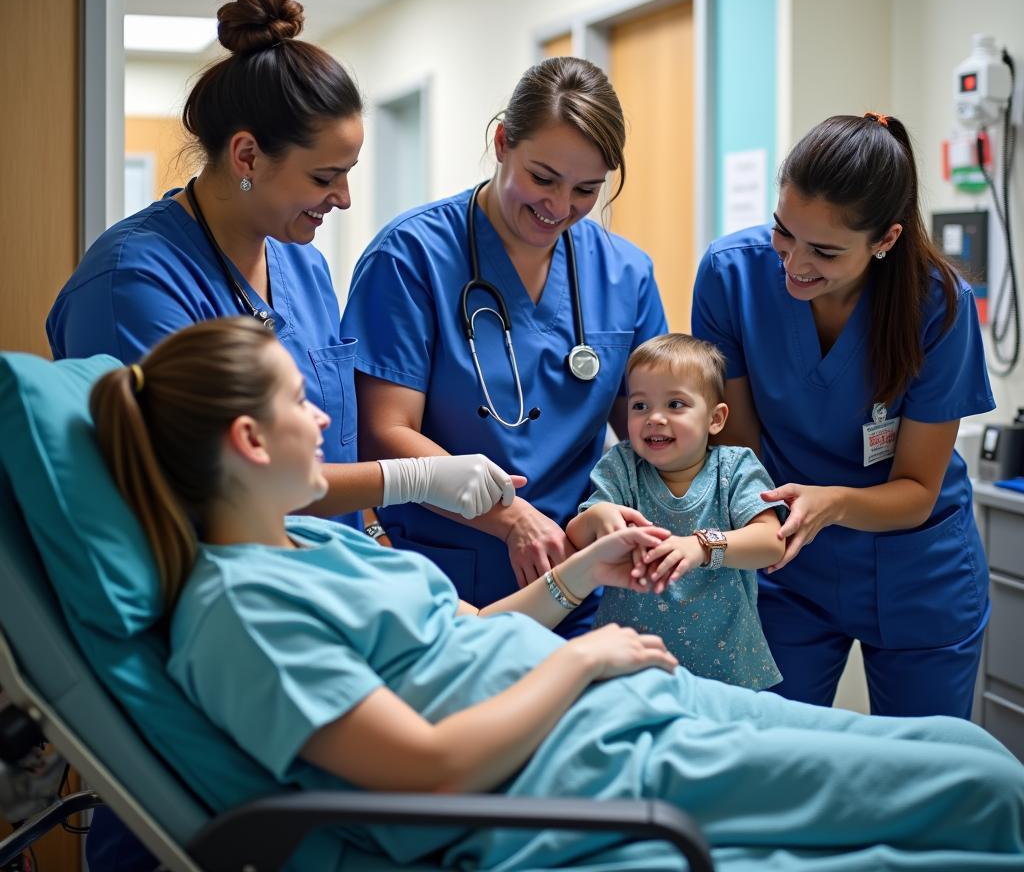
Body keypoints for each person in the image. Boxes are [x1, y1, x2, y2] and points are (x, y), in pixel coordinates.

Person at [87, 317, 1024, 872]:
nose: (326, 418)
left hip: (628, 707)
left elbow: (461, 640)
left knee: (965, 753)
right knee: (978, 791)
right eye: (302, 402)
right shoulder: (239, 613)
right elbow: (430, 769)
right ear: (251, 443)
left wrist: (580, 578)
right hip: (580, 769)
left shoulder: (317, 546)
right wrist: (582, 657)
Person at [44, 0, 519, 871]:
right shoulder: (133, 285)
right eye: (325, 177)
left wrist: (374, 535)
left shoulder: (297, 268)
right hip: (224, 634)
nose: (342, 201)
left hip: (319, 598)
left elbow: (319, 443)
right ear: (248, 154)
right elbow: (189, 482)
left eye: (349, 176)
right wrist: (412, 477)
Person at [341, 57, 668, 636]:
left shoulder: (625, 274)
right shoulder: (411, 257)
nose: (560, 207)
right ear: (501, 142)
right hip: (443, 578)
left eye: (586, 189)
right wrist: (512, 518)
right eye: (542, 178)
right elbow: (382, 431)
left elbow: (655, 429)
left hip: (580, 572)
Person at [691, 112, 995, 719]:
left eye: (825, 251)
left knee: (922, 779)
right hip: (788, 558)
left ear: (885, 240)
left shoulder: (937, 306)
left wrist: (832, 503)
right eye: (784, 232)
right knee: (775, 760)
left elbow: (915, 490)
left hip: (917, 569)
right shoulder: (731, 276)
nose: (794, 264)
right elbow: (741, 453)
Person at [566, 333, 784, 690]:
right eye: (639, 406)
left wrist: (701, 547)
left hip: (726, 666)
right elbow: (577, 539)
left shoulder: (735, 468)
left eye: (675, 405)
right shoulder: (621, 467)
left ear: (715, 419)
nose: (654, 418)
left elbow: (770, 542)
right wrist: (596, 518)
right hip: (631, 667)